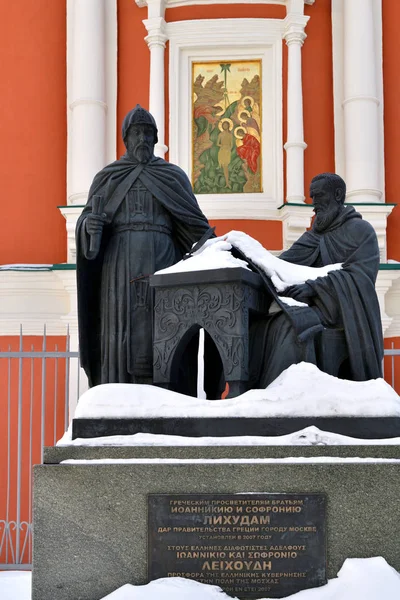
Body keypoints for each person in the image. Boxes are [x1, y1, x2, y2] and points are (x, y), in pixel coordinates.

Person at [76, 105, 216, 391]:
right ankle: (117, 394)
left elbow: (194, 225)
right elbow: (87, 225)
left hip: (164, 266)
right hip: (118, 270)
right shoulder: (108, 177)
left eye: (148, 133)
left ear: (155, 139)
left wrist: (218, 249)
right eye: (136, 132)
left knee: (164, 329)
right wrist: (89, 227)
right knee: (121, 333)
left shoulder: (172, 177)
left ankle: (169, 395)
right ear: (126, 138)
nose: (142, 138)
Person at [248, 172, 384, 387]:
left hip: (343, 313)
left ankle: (288, 396)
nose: (314, 204)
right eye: (312, 197)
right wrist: (244, 258)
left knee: (292, 327)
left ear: (338, 195)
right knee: (264, 325)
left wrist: (314, 288)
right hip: (313, 310)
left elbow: (361, 278)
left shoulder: (360, 231)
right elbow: (281, 266)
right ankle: (269, 395)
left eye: (319, 196)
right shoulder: (314, 236)